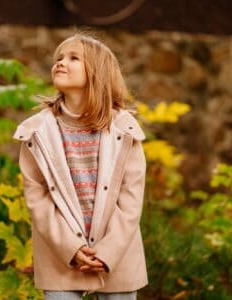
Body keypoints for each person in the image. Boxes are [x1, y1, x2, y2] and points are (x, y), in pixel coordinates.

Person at [13, 33, 148, 300]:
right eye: (58, 58)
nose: (60, 63)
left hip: (117, 254)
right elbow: (37, 198)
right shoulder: (36, 132)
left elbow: (131, 200)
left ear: (98, 72)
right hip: (60, 255)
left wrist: (108, 252)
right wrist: (70, 248)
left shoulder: (125, 129)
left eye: (73, 58)